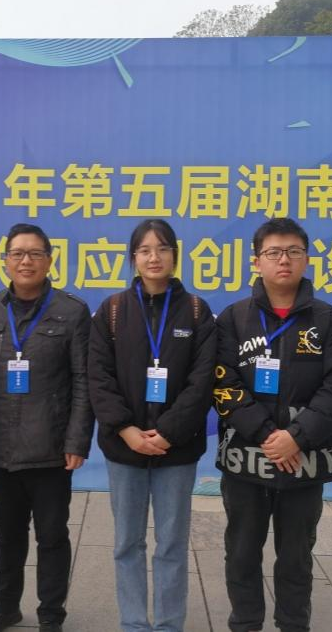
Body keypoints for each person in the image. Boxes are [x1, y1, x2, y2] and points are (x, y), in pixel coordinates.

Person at [214, 217, 332, 632]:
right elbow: (222, 382)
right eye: (274, 252)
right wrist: (267, 436)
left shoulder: (329, 321)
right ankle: (245, 623)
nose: (284, 260)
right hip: (246, 460)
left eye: (294, 252)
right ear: (256, 261)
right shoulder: (233, 319)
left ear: (306, 259)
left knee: (296, 555)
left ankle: (294, 624)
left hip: (304, 462)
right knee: (241, 551)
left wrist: (296, 437)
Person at [0, 223, 93, 632]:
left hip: (51, 448)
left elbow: (83, 381)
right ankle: (5, 607)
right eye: (17, 253)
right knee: (8, 533)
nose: (26, 261)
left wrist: (77, 440)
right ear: (5, 261)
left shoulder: (72, 311)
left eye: (35, 253)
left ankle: (51, 614)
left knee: (52, 536)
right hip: (0, 446)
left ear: (49, 261)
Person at [88, 219, 216, 632]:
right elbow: (98, 377)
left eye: (162, 248)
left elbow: (202, 381)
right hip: (123, 448)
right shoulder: (111, 311)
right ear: (134, 258)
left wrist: (169, 432)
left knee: (172, 545)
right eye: (144, 250)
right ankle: (133, 624)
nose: (154, 257)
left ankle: (168, 625)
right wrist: (126, 429)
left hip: (176, 449)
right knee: (127, 543)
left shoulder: (196, 311)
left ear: (175, 256)